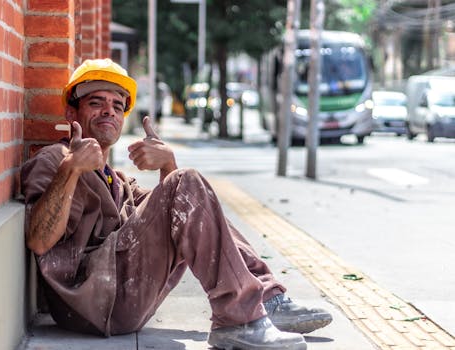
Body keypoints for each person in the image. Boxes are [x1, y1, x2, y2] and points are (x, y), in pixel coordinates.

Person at [20, 58, 332, 350]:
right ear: (72, 114)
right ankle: (241, 315)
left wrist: (168, 163)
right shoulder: (54, 159)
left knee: (190, 187)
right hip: (89, 302)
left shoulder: (115, 178)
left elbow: (178, 213)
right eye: (96, 102)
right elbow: (39, 240)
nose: (109, 111)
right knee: (188, 180)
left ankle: (264, 299)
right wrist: (71, 169)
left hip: (119, 296)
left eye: (117, 105)